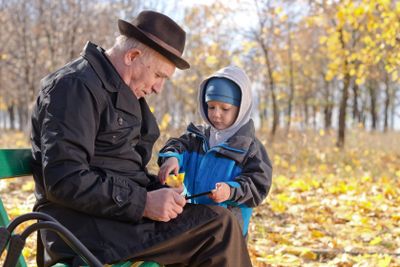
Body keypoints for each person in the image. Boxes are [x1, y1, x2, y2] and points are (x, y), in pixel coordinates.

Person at [31, 10, 252, 267]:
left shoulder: (121, 92)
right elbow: (65, 181)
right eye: (159, 76)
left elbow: (119, 169)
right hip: (80, 230)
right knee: (218, 228)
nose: (159, 88)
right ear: (132, 56)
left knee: (217, 218)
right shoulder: (75, 87)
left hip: (115, 221)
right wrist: (143, 202)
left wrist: (160, 192)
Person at [158, 66, 272, 237]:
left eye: (225, 109)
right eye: (211, 107)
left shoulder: (250, 148)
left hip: (227, 232)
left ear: (241, 108)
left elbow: (258, 185)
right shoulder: (197, 137)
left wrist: (230, 190)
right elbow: (177, 145)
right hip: (191, 223)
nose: (216, 114)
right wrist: (172, 158)